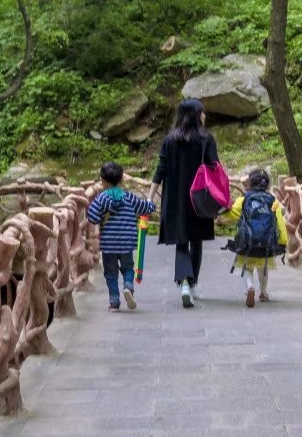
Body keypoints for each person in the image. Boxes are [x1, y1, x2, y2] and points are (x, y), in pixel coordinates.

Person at [151, 98, 218, 308]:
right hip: (199, 198)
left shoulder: (170, 140)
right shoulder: (206, 139)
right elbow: (214, 167)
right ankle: (193, 282)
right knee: (196, 241)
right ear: (196, 115)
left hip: (175, 199)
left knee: (181, 241)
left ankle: (185, 283)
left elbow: (160, 170)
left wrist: (150, 196)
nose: (205, 115)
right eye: (203, 112)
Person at [86, 162, 155, 311]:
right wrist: (151, 204)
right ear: (121, 180)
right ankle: (128, 286)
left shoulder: (101, 199)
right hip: (126, 242)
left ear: (102, 181)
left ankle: (114, 301)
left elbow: (92, 217)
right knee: (128, 267)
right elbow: (145, 208)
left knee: (111, 273)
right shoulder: (128, 197)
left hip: (109, 244)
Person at [223, 168, 288, 308]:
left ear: (250, 184)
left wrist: (221, 214)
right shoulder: (273, 200)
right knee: (263, 266)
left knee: (247, 267)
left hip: (248, 244)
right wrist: (282, 242)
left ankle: (250, 286)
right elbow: (279, 222)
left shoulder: (244, 199)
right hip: (266, 245)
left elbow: (232, 214)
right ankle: (263, 292)